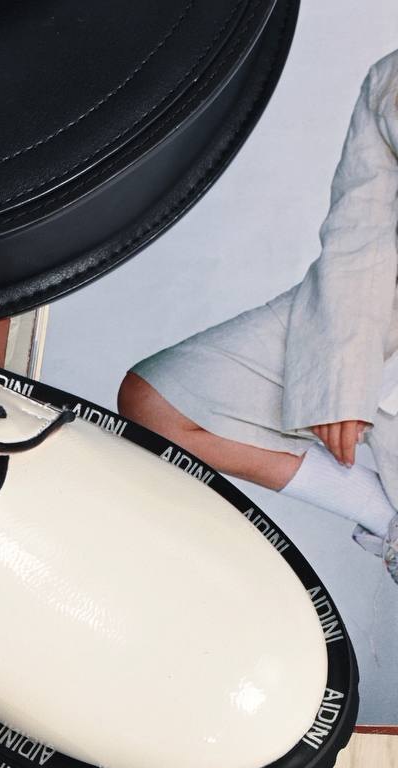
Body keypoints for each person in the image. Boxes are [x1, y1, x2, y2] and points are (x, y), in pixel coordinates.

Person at [119, 51, 398, 583]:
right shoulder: (391, 77)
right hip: (381, 302)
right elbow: (360, 231)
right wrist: (343, 375)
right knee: (158, 404)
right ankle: (383, 517)